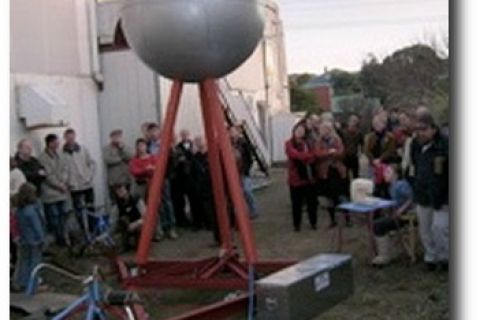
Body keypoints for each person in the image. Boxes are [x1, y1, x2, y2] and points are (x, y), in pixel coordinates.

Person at [411, 112, 449, 271]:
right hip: (422, 193)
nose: (420, 132)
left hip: (443, 194)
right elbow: (415, 166)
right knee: (425, 228)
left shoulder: (444, 146)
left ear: (433, 129)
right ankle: (431, 257)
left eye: (424, 129)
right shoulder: (415, 146)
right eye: (418, 129)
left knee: (439, 228)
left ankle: (446, 257)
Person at [129, 138, 178, 240]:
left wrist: (147, 170)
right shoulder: (134, 159)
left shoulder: (153, 157)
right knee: (145, 209)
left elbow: (157, 168)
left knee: (157, 207)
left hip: (153, 184)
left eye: (143, 145)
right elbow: (134, 171)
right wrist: (146, 169)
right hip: (141, 186)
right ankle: (154, 232)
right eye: (139, 146)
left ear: (146, 146)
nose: (141, 148)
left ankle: (164, 229)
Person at [371, 164, 414, 266]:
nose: (385, 174)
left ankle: (384, 256)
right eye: (385, 172)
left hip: (407, 216)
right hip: (398, 214)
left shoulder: (401, 185)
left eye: (388, 172)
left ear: (396, 175)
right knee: (379, 222)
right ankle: (385, 252)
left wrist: (401, 210)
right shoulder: (391, 186)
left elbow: (412, 198)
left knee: (378, 225)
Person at [12, 183, 45, 292]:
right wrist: (42, 239)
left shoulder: (18, 211)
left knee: (24, 262)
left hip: (23, 240)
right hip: (34, 241)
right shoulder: (31, 211)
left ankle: (22, 282)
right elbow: (37, 227)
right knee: (35, 264)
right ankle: (33, 285)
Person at [314, 122, 348, 228]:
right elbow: (317, 154)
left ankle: (347, 218)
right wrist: (328, 153)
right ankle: (332, 220)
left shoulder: (337, 139)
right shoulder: (318, 141)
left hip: (337, 171)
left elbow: (342, 153)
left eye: (327, 129)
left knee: (340, 195)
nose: (325, 131)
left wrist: (334, 153)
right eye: (322, 129)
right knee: (328, 197)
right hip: (325, 172)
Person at [285, 123, 318, 232]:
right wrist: (306, 156)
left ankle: (313, 223)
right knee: (296, 204)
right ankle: (297, 225)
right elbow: (294, 155)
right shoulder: (289, 143)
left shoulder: (308, 143)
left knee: (311, 202)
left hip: (308, 177)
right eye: (298, 130)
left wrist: (306, 157)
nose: (300, 132)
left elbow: (314, 156)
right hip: (295, 179)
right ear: (294, 131)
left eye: (302, 130)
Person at [38, 134, 69, 246]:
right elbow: (48, 175)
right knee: (54, 219)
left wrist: (64, 182)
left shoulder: (60, 155)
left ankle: (63, 238)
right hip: (50, 194)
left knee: (63, 217)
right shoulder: (42, 158)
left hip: (62, 192)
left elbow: (65, 169)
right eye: (55, 142)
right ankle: (57, 239)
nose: (58, 144)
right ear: (49, 143)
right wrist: (59, 185)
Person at [62, 129, 97, 222]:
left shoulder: (83, 149)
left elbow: (92, 164)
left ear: (75, 137)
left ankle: (93, 229)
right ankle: (83, 231)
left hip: (87, 185)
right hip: (74, 187)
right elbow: (63, 170)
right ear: (65, 138)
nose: (71, 140)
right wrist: (66, 182)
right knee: (78, 211)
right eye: (68, 138)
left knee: (91, 208)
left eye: (72, 138)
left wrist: (89, 177)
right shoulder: (62, 153)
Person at [171, 129, 203, 229]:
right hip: (182, 179)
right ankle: (185, 221)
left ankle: (198, 222)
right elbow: (175, 162)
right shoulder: (178, 148)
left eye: (186, 134)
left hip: (193, 178)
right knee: (182, 202)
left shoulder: (194, 146)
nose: (184, 136)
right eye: (183, 134)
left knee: (195, 201)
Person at [192, 136, 218, 243]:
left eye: (200, 140)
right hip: (203, 187)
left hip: (214, 185)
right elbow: (194, 172)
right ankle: (212, 228)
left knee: (217, 208)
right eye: (197, 141)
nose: (199, 143)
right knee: (208, 209)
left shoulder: (212, 154)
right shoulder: (196, 157)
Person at [364, 115, 396, 198]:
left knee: (386, 187)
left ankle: (388, 206)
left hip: (385, 164)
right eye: (374, 124)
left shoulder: (390, 137)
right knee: (374, 186)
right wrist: (373, 160)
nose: (376, 126)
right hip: (373, 165)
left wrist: (380, 159)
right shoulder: (370, 137)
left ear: (384, 124)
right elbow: (366, 150)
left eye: (378, 124)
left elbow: (390, 150)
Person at [230, 125, 258, 219]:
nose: (232, 133)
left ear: (238, 133)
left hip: (244, 171)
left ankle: (253, 210)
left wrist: (246, 169)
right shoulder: (230, 143)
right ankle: (241, 212)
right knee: (238, 193)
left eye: (234, 131)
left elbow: (249, 158)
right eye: (231, 132)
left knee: (247, 191)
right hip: (234, 172)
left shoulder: (244, 143)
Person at [113, 184, 146, 251]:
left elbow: (146, 217)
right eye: (118, 192)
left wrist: (136, 223)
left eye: (122, 190)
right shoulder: (117, 205)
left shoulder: (136, 200)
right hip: (128, 225)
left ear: (127, 190)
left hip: (140, 223)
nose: (120, 193)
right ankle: (125, 244)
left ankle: (141, 243)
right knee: (121, 221)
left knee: (139, 248)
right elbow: (114, 221)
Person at [103, 129, 133, 199]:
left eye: (119, 136)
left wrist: (122, 149)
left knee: (127, 200)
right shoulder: (107, 148)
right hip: (114, 181)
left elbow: (131, 156)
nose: (117, 138)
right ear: (111, 137)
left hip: (126, 180)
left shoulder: (125, 147)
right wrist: (121, 159)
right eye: (115, 136)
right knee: (115, 201)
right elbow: (107, 159)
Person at [340, 114, 363, 182]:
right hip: (345, 156)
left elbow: (362, 144)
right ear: (348, 121)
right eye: (352, 120)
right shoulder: (343, 132)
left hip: (354, 156)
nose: (353, 122)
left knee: (356, 175)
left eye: (355, 121)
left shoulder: (359, 133)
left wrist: (361, 152)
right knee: (345, 175)